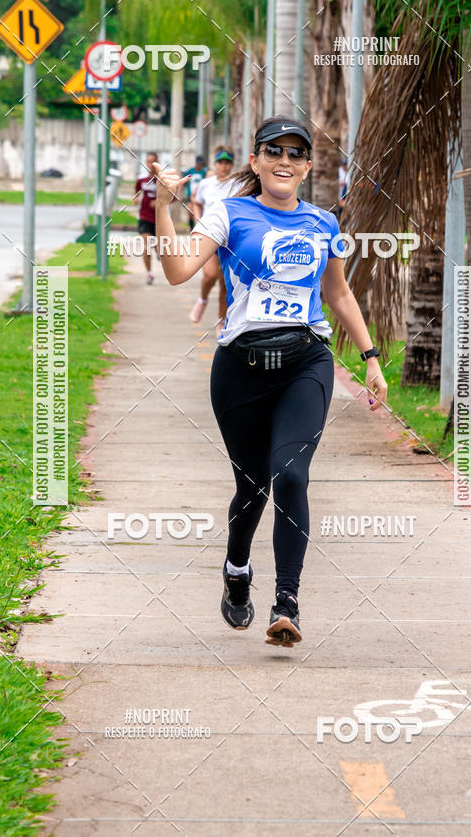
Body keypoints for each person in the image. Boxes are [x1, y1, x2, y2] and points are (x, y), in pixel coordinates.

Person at [153, 116, 388, 649]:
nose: (285, 161)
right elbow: (176, 272)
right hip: (240, 368)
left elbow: (339, 293)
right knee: (252, 484)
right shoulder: (228, 213)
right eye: (273, 151)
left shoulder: (324, 223)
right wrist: (165, 208)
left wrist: (371, 357)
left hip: (306, 361)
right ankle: (237, 569)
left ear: (308, 167)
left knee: (292, 475)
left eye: (296, 153)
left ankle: (287, 603)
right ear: (255, 161)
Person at [190, 146, 237, 336]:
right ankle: (202, 300)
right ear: (215, 164)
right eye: (220, 162)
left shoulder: (238, 185)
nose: (223, 166)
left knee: (225, 283)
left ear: (232, 165)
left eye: (227, 163)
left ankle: (222, 321)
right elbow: (196, 201)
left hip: (230, 240)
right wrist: (199, 221)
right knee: (209, 275)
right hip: (210, 236)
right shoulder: (206, 184)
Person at [134, 152, 159, 285]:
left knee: (159, 245)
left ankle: (158, 251)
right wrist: (136, 198)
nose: (150, 165)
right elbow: (136, 192)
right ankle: (149, 273)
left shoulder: (162, 180)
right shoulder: (141, 179)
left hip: (159, 218)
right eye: (148, 162)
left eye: (153, 162)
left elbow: (173, 198)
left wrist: (158, 202)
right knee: (147, 244)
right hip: (144, 216)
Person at [183, 155, 207, 229]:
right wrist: (182, 193)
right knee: (190, 211)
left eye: (201, 164)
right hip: (191, 195)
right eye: (198, 164)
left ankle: (199, 228)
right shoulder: (190, 171)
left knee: (199, 213)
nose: (199, 165)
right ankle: (191, 228)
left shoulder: (204, 172)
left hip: (200, 196)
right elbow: (185, 181)